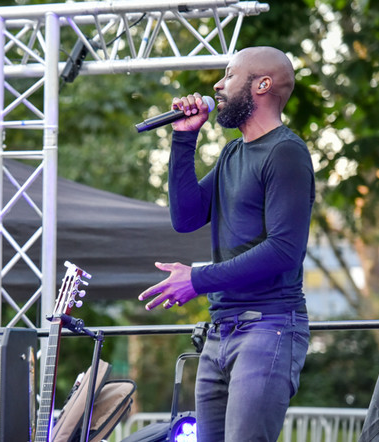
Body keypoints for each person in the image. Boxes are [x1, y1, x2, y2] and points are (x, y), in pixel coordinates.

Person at [138, 46, 315, 441]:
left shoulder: (286, 153)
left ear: (262, 84)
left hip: (268, 328)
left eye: (229, 75)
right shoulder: (234, 153)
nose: (217, 85)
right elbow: (185, 218)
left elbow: (284, 249)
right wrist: (185, 139)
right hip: (220, 331)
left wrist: (197, 279)